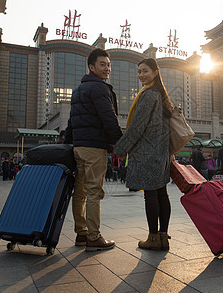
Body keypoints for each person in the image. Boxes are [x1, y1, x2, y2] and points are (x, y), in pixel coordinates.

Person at [65, 48, 123, 251]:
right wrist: (119, 143)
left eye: (108, 65)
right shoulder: (99, 88)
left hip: (79, 147)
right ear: (91, 67)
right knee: (94, 192)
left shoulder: (79, 89)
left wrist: (70, 142)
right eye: (102, 64)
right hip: (94, 146)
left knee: (79, 192)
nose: (107, 68)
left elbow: (72, 120)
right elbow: (109, 118)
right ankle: (93, 237)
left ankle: (81, 234)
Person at [114, 58, 172, 251]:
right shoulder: (162, 95)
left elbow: (138, 126)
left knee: (151, 195)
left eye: (145, 71)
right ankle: (163, 237)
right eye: (139, 72)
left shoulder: (148, 95)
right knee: (161, 193)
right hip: (161, 151)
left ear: (156, 72)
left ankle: (153, 238)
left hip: (148, 151)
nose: (141, 75)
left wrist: (121, 148)